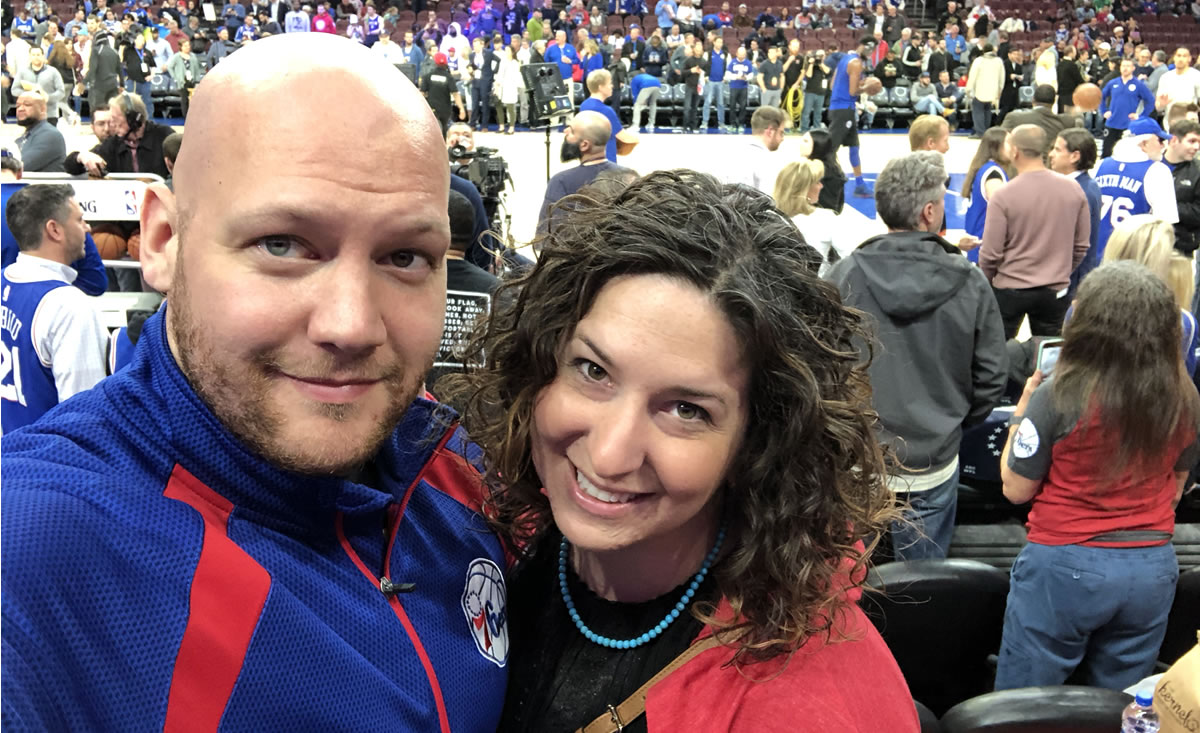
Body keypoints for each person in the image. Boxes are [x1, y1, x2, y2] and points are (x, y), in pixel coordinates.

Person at [1, 33, 510, 730]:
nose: (352, 324)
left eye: (404, 256)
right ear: (162, 241)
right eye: (283, 244)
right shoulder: (36, 548)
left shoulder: (456, 474)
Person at [441, 168, 918, 732]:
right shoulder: (484, 536)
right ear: (542, 362)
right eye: (593, 371)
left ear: (759, 442)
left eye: (687, 410)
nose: (612, 454)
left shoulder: (808, 706)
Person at [996, 260, 1199, 692]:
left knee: (1027, 703)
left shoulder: (1058, 393)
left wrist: (1020, 414)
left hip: (1063, 567)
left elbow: (1015, 489)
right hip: (1152, 569)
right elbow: (1176, 491)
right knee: (1120, 705)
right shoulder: (1186, 397)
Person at [828, 151, 1007, 560]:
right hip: (932, 460)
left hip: (861, 460)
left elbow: (821, 369)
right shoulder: (971, 282)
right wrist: (951, 423)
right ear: (929, 212)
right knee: (924, 587)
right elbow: (992, 377)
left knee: (854, 584)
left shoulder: (842, 275)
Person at [1, 185, 108, 435]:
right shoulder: (69, 306)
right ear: (55, 230)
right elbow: (84, 420)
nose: (88, 228)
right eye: (80, 220)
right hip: (45, 465)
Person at [980, 125, 1091, 340]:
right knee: (1049, 352)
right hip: (1054, 289)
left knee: (998, 351)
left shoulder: (1004, 195)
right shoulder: (1074, 189)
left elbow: (990, 253)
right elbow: (1081, 246)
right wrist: (1061, 270)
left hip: (1009, 288)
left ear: (1015, 151)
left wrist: (989, 281)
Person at [1100, 215, 1198, 375]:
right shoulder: (1181, 324)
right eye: (1167, 255)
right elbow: (1183, 391)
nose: (1174, 258)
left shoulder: (1080, 310)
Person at [1094, 117, 1180, 262]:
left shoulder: (1101, 165)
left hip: (1097, 255)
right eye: (1160, 141)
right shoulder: (1157, 171)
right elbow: (1165, 226)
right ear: (1144, 143)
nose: (1163, 146)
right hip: (1134, 259)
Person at [536, 110, 631, 235]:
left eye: (571, 131)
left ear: (584, 145)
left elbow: (546, 238)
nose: (565, 131)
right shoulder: (628, 176)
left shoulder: (562, 181)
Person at [773, 158, 855, 275]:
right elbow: (850, 257)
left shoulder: (768, 217)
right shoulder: (825, 219)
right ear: (804, 189)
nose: (821, 186)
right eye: (817, 182)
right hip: (817, 289)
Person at [65, 92, 174, 179]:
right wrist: (81, 157)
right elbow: (69, 166)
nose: (112, 125)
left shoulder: (164, 136)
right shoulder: (114, 143)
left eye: (116, 120)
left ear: (134, 119)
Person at [1048, 128, 1103, 292]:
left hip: (1070, 282)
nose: (1051, 154)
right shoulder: (1069, 185)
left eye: (1057, 150)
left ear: (1075, 156)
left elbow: (1078, 245)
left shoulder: (1083, 191)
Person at [829, 35, 873, 197]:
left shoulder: (845, 59)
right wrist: (867, 87)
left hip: (840, 107)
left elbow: (833, 84)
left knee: (854, 147)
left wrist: (858, 84)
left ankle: (860, 185)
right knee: (831, 149)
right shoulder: (857, 64)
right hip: (844, 110)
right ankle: (822, 183)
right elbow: (852, 91)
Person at [961, 126, 1012, 264]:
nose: (1014, 147)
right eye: (1009, 142)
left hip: (977, 248)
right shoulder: (993, 174)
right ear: (996, 146)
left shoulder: (984, 168)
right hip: (985, 249)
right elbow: (1005, 209)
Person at [1162, 119, 1200, 285]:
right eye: (1191, 141)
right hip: (1148, 243)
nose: (1196, 147)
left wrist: (1166, 207)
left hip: (1181, 247)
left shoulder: (1197, 171)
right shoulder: (1152, 164)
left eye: (1198, 142)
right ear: (1174, 140)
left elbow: (1198, 212)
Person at [1002, 84, 1082, 160]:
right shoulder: (1066, 121)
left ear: (1033, 99)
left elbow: (999, 139)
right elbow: (1079, 130)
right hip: (1053, 168)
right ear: (1054, 102)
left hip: (1021, 168)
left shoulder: (1014, 117)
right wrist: (1078, 114)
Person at [725, 105, 788, 195]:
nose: (782, 138)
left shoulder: (733, 154)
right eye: (781, 133)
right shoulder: (765, 162)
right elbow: (769, 201)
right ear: (770, 131)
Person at [1098, 57, 1155, 159]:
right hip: (1111, 123)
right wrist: (1104, 111)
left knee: (1126, 154)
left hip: (1128, 125)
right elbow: (1101, 97)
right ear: (1120, 68)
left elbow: (1150, 101)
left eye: (1128, 66)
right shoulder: (1113, 83)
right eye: (1123, 66)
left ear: (1133, 68)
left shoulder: (1138, 85)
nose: (1125, 68)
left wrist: (1141, 116)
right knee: (1107, 153)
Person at [580, 69, 635, 160]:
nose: (612, 86)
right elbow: (621, 135)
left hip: (589, 155)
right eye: (609, 83)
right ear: (601, 87)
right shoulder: (606, 111)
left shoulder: (584, 105)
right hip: (606, 156)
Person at [14, 90, 67, 173]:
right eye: (17, 106)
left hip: (46, 185)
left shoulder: (50, 135)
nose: (20, 109)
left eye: (27, 105)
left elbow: (19, 166)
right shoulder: (27, 135)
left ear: (42, 109)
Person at [14, 46, 66, 127]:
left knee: (49, 138)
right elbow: (14, 90)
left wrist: (48, 98)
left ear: (43, 56)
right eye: (33, 55)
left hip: (50, 114)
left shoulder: (53, 71)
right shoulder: (22, 71)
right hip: (30, 114)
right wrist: (29, 95)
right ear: (30, 56)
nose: (36, 57)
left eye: (38, 55)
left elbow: (61, 91)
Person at [964, 42, 1003, 136]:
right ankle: (985, 132)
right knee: (987, 110)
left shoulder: (979, 60)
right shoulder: (998, 61)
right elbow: (1002, 77)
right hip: (993, 91)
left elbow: (972, 76)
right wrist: (999, 90)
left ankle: (980, 132)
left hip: (980, 90)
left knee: (978, 110)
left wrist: (968, 89)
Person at [809, 127, 845, 215]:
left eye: (806, 141)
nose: (800, 144)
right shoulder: (833, 169)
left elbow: (829, 207)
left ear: (817, 146)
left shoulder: (822, 174)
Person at [165, 37, 203, 119]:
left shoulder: (193, 56)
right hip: (182, 82)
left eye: (188, 45)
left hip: (192, 80)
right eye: (185, 46)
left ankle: (194, 116)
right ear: (181, 47)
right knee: (184, 100)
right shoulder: (177, 56)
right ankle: (186, 117)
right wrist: (175, 77)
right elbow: (170, 67)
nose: (187, 47)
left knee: (194, 99)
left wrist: (197, 79)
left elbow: (197, 68)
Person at [1156, 47, 1200, 117]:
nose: (1181, 59)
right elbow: (1158, 107)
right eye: (1178, 55)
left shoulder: (1196, 76)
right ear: (1174, 58)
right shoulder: (1165, 77)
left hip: (1190, 122)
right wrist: (1161, 105)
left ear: (1189, 59)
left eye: (1184, 56)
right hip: (1169, 123)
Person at [726, 45, 754, 131]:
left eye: (743, 54)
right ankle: (733, 124)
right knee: (732, 106)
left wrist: (746, 77)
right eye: (740, 54)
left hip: (743, 87)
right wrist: (736, 77)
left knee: (743, 106)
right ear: (737, 54)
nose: (741, 56)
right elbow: (727, 74)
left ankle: (741, 124)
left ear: (745, 54)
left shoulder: (748, 63)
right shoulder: (732, 62)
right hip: (734, 86)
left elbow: (751, 75)